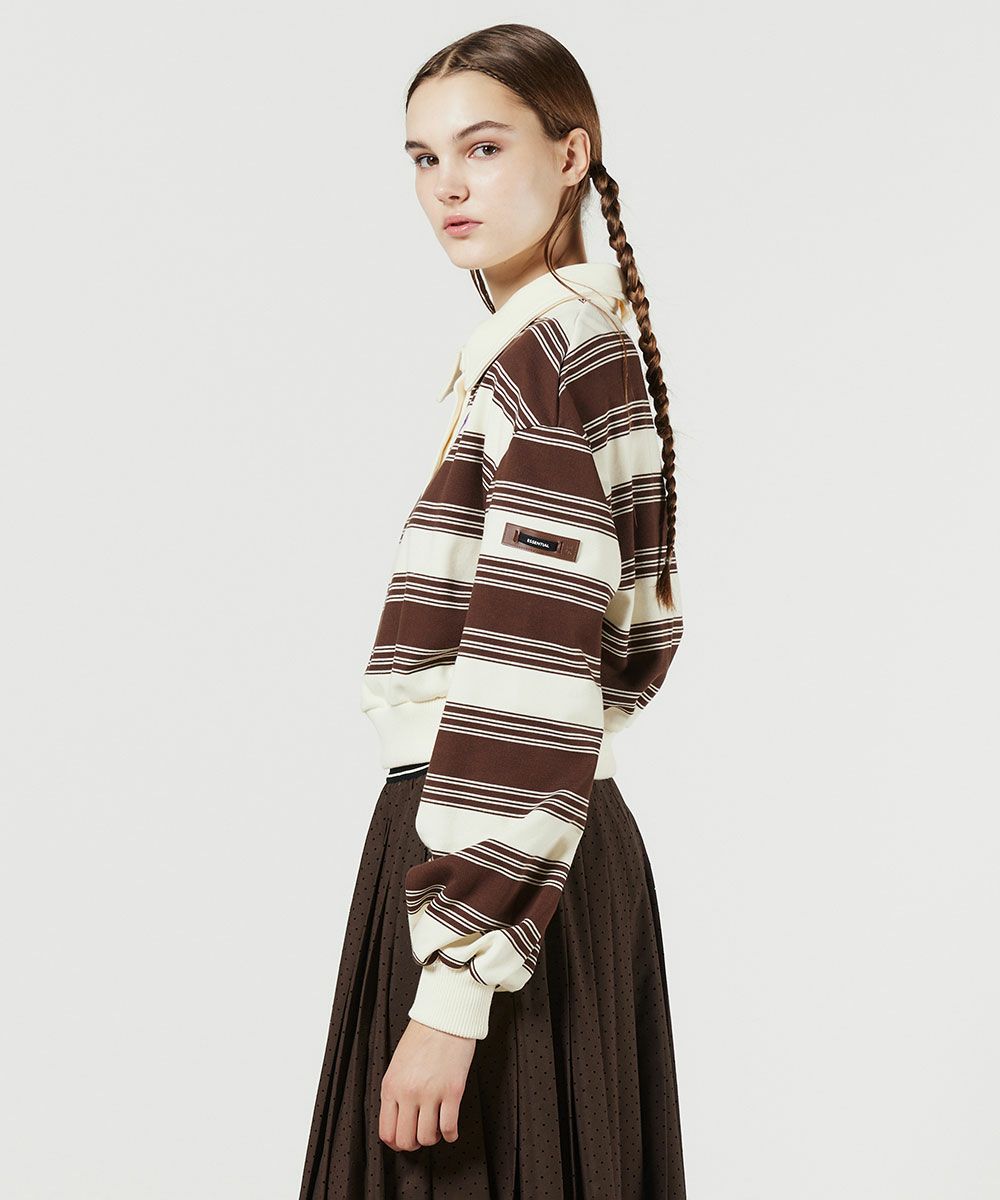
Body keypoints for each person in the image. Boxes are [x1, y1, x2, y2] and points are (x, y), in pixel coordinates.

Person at [299, 23, 687, 1199]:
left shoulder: (546, 358)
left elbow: (534, 668)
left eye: (482, 147)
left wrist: (455, 988)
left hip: (492, 875)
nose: (447, 187)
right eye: (423, 159)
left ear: (571, 155)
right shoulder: (573, 347)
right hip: (531, 857)